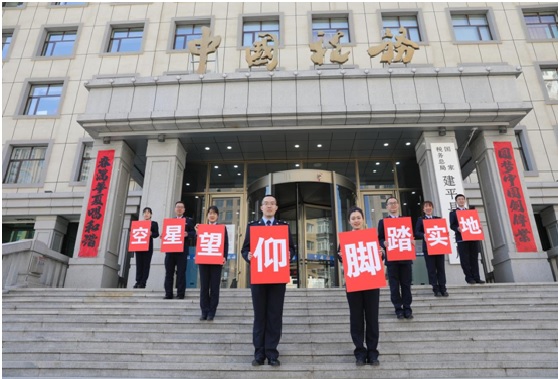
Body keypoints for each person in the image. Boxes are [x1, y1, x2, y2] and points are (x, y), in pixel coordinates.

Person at [241, 194, 295, 367]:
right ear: (261, 207)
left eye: (273, 203)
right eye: (266, 204)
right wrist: (248, 256)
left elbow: (292, 249)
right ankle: (259, 353)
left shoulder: (283, 227)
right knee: (260, 315)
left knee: (274, 315)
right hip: (259, 277)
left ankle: (272, 352)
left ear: (277, 207)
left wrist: (289, 255)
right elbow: (245, 249)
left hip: (277, 277)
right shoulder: (253, 226)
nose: (269, 206)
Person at [337, 206, 380, 367]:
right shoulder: (346, 239)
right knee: (356, 318)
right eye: (353, 218)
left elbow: (378, 255)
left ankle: (373, 352)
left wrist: (381, 253)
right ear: (349, 221)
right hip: (354, 283)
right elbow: (341, 257)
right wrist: (341, 256)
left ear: (363, 220)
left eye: (358, 217)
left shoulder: (371, 237)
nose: (356, 220)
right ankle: (360, 352)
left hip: (371, 282)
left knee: (372, 318)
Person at [378, 196, 413, 320]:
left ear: (398, 205)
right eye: (390, 204)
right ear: (386, 207)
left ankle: (407, 308)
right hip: (392, 259)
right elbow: (379, 238)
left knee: (406, 284)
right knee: (394, 285)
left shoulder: (405, 220)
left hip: (405, 258)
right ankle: (398, 309)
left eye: (394, 203)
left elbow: (410, 236)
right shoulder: (383, 222)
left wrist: (412, 241)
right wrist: (384, 243)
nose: (392, 205)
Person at [195, 205, 229, 321]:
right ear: (207, 216)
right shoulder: (201, 228)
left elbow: (225, 244)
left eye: (214, 213)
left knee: (214, 287)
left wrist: (224, 256)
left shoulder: (222, 228)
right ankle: (204, 311)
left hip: (216, 261)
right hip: (204, 261)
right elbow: (198, 243)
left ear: (217, 216)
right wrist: (197, 233)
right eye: (210, 213)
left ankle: (212, 312)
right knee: (204, 287)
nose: (212, 215)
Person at [449, 194, 485, 285]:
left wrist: (479, 227)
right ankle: (469, 278)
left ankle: (477, 277)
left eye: (462, 199)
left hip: (472, 237)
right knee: (465, 259)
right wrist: (457, 228)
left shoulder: (470, 212)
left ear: (464, 201)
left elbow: (475, 223)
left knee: (474, 258)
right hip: (461, 239)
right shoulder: (453, 213)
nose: (461, 201)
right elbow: (452, 225)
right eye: (459, 199)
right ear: (456, 202)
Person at [414, 201, 448, 297]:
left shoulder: (438, 219)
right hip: (428, 248)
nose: (428, 208)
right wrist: (423, 234)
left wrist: (445, 233)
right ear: (423, 209)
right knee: (431, 269)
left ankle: (443, 288)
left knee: (441, 268)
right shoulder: (420, 220)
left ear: (432, 208)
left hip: (439, 246)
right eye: (426, 206)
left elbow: (443, 230)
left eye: (430, 206)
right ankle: (435, 288)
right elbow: (416, 232)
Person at [164, 201, 195, 300]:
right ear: (175, 209)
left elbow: (194, 233)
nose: (179, 209)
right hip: (170, 250)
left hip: (182, 251)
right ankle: (168, 293)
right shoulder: (170, 221)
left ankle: (180, 293)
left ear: (184, 210)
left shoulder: (188, 221)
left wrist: (188, 234)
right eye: (178, 207)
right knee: (169, 272)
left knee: (181, 272)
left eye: (181, 207)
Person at [133, 207, 159, 289]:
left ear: (151, 214)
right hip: (139, 245)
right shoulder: (139, 224)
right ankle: (138, 281)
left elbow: (156, 234)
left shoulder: (154, 223)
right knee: (139, 264)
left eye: (148, 212)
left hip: (148, 247)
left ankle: (143, 282)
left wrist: (151, 233)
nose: (146, 214)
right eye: (145, 212)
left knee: (146, 264)